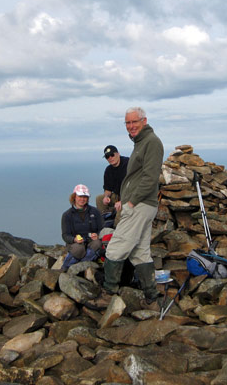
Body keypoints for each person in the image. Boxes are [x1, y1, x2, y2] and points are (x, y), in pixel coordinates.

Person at [94, 107, 164, 310]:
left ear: (144, 121)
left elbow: (150, 178)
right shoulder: (141, 142)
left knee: (116, 248)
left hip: (140, 204)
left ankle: (108, 295)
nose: (131, 126)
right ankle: (152, 298)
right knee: (140, 253)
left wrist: (131, 202)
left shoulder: (151, 142)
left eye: (135, 122)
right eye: (127, 123)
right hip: (142, 203)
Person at [60, 184, 104, 271]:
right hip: (75, 244)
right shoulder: (67, 215)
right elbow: (65, 235)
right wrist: (74, 239)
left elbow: (102, 228)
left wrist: (98, 235)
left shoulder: (95, 212)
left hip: (91, 241)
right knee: (78, 249)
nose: (82, 199)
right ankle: (66, 268)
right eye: (80, 196)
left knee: (98, 244)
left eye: (85, 197)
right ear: (74, 197)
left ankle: (80, 267)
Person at [95, 145, 129, 224]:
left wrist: (122, 201)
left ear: (118, 154)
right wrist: (106, 197)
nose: (110, 158)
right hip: (118, 196)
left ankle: (115, 228)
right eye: (107, 156)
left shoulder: (128, 164)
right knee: (99, 198)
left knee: (121, 207)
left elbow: (134, 185)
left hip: (130, 196)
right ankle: (105, 221)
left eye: (112, 155)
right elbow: (108, 189)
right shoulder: (108, 170)